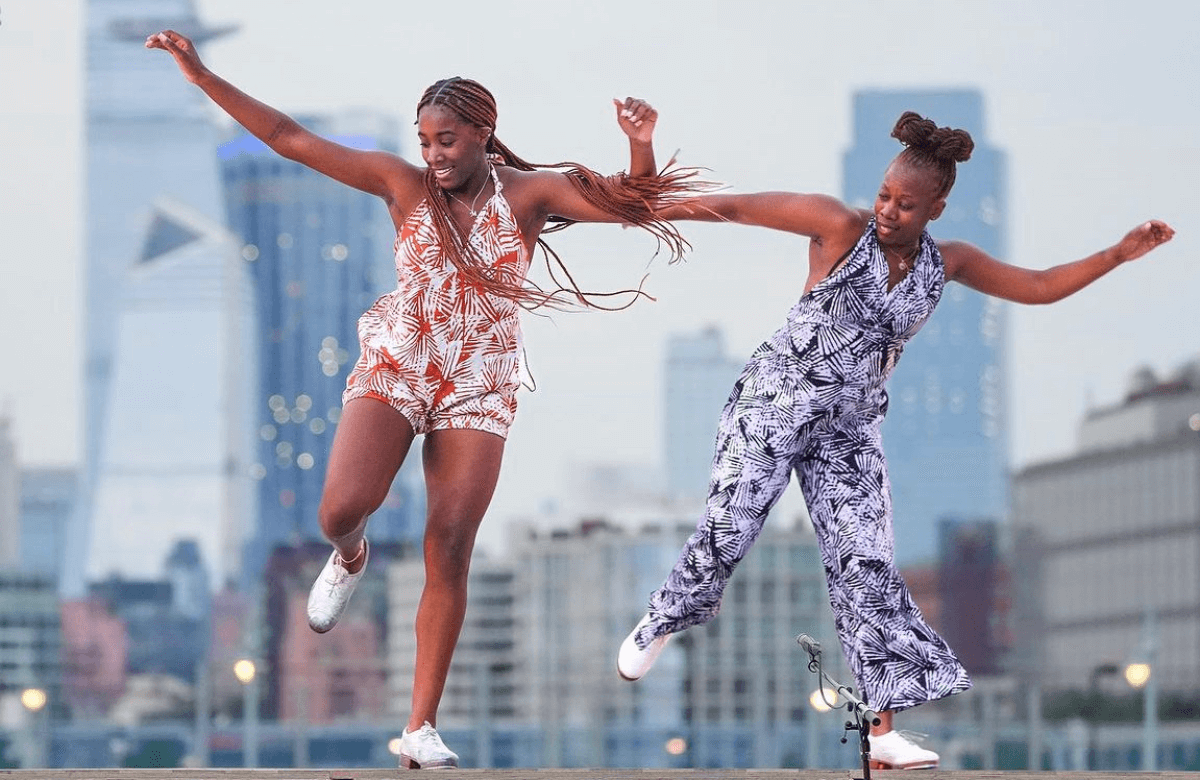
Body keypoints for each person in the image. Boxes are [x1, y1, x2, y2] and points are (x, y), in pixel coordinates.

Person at [148, 30, 699, 769]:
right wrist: (199, 72)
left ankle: (419, 727)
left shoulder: (529, 195)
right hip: (401, 358)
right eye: (425, 140)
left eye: (447, 141)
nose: (434, 153)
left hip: (480, 376)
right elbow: (286, 137)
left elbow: (636, 205)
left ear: (481, 135)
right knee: (338, 509)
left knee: (449, 544)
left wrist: (641, 141)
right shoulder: (401, 184)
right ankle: (350, 556)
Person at [617, 109, 1175, 769]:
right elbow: (732, 206)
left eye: (906, 205)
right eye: (884, 194)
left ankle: (881, 733)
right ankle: (661, 618)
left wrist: (1118, 253)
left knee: (870, 569)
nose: (888, 211)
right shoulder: (838, 226)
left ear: (935, 208)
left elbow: (1038, 287)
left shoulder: (949, 262)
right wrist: (641, 151)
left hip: (850, 429)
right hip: (776, 402)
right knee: (728, 531)